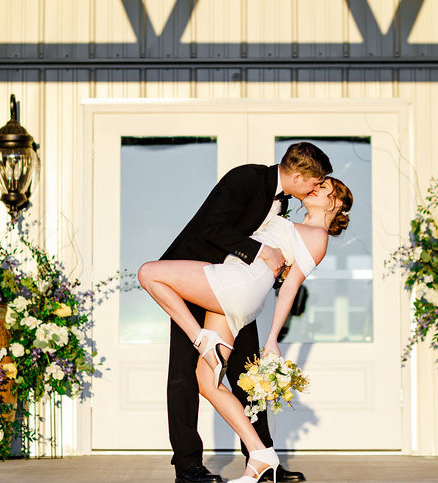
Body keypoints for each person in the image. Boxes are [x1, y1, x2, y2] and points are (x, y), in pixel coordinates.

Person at [140, 169, 352, 483]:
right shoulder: (267, 198)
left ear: (334, 205)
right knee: (203, 380)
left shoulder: (318, 237)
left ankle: (200, 337)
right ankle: (261, 457)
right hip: (233, 291)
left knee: (148, 273)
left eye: (324, 187)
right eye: (317, 182)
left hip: (234, 286)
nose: (316, 187)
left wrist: (272, 338)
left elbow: (290, 288)